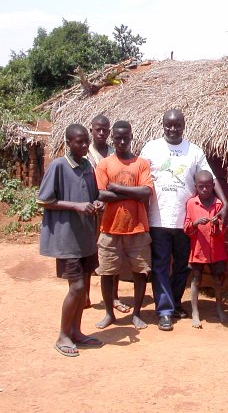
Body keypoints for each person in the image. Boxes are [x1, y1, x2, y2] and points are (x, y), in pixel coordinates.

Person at [140, 109, 228, 331]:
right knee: (160, 265)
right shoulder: (151, 148)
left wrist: (224, 202)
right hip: (158, 218)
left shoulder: (194, 151)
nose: (172, 129)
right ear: (163, 125)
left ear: (183, 126)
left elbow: (210, 178)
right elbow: (140, 177)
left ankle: (176, 302)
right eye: (168, 125)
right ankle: (165, 311)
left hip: (187, 221)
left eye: (177, 125)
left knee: (183, 265)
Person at [37, 123, 104, 357]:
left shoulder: (87, 167)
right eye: (79, 142)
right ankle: (63, 335)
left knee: (83, 287)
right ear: (68, 143)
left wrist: (96, 203)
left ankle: (76, 332)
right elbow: (44, 200)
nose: (85, 145)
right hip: (67, 239)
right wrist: (75, 206)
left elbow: (93, 196)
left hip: (85, 237)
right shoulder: (58, 166)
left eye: (87, 141)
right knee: (75, 287)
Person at [94, 121, 153, 330]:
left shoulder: (141, 163)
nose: (121, 141)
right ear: (113, 139)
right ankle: (109, 314)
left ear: (131, 138)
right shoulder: (104, 164)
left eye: (125, 138)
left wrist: (116, 188)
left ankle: (136, 313)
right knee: (107, 273)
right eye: (117, 138)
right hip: (110, 228)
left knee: (140, 272)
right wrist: (132, 193)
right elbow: (100, 194)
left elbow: (146, 192)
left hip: (137, 227)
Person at [85, 114, 131, 314]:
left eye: (105, 130)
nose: (101, 133)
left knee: (113, 254)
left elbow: (121, 184)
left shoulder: (116, 153)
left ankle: (114, 297)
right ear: (91, 130)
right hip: (88, 211)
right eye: (98, 129)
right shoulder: (85, 154)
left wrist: (109, 197)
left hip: (111, 210)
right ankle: (85, 295)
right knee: (87, 252)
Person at [183, 170, 228, 328]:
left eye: (208, 186)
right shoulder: (191, 203)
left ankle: (219, 307)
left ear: (213, 186)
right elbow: (187, 228)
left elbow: (222, 232)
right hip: (198, 250)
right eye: (201, 186)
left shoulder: (219, 205)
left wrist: (216, 225)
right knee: (195, 280)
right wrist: (196, 223)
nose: (204, 190)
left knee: (218, 279)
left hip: (216, 250)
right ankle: (195, 312)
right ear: (196, 186)